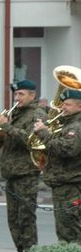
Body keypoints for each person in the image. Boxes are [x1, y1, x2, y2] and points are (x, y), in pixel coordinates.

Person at [0, 79, 46, 252]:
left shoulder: (37, 114)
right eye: (15, 95)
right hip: (12, 174)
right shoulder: (15, 114)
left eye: (21, 94)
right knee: (13, 220)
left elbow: (31, 140)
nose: (16, 98)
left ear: (32, 96)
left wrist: (7, 127)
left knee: (26, 219)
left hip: (26, 174)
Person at [32, 89, 81, 243]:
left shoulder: (76, 127)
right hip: (62, 184)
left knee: (71, 231)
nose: (63, 108)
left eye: (67, 105)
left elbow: (68, 149)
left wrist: (44, 133)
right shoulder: (67, 124)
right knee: (64, 230)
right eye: (63, 104)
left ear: (79, 107)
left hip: (71, 185)